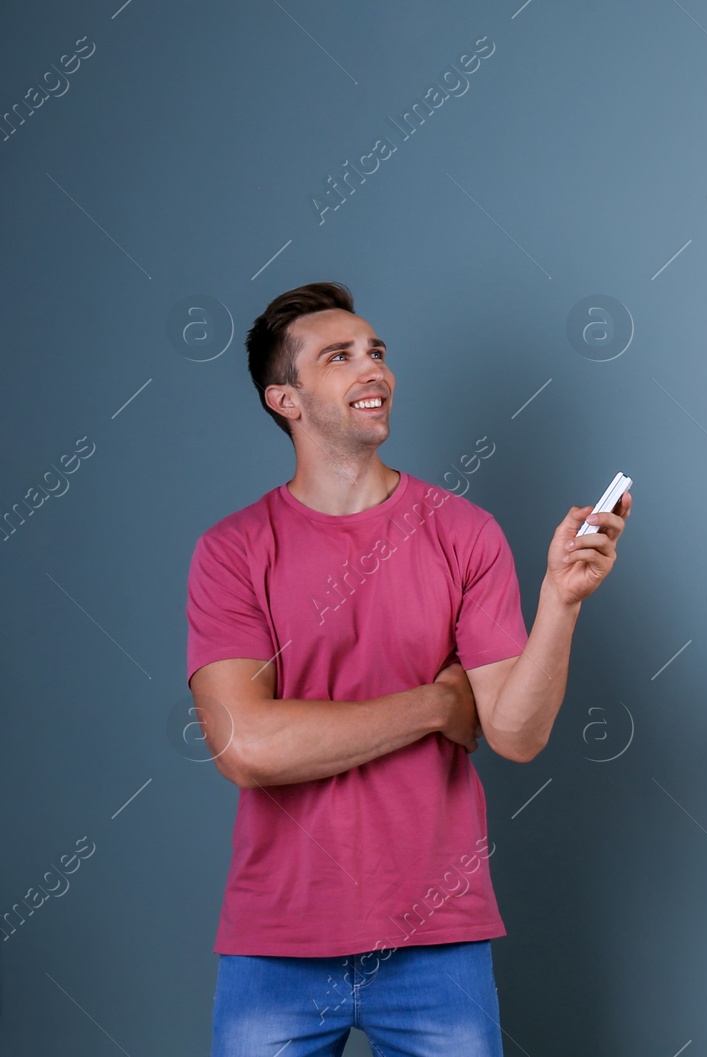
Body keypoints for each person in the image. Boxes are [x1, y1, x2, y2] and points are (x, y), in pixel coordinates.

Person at [185, 281, 630, 1056]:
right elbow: (246, 746)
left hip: (438, 936)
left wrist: (559, 600)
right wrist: (433, 706)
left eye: (378, 352)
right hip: (277, 939)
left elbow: (517, 735)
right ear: (285, 399)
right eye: (341, 356)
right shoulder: (233, 551)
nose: (375, 370)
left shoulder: (465, 533)